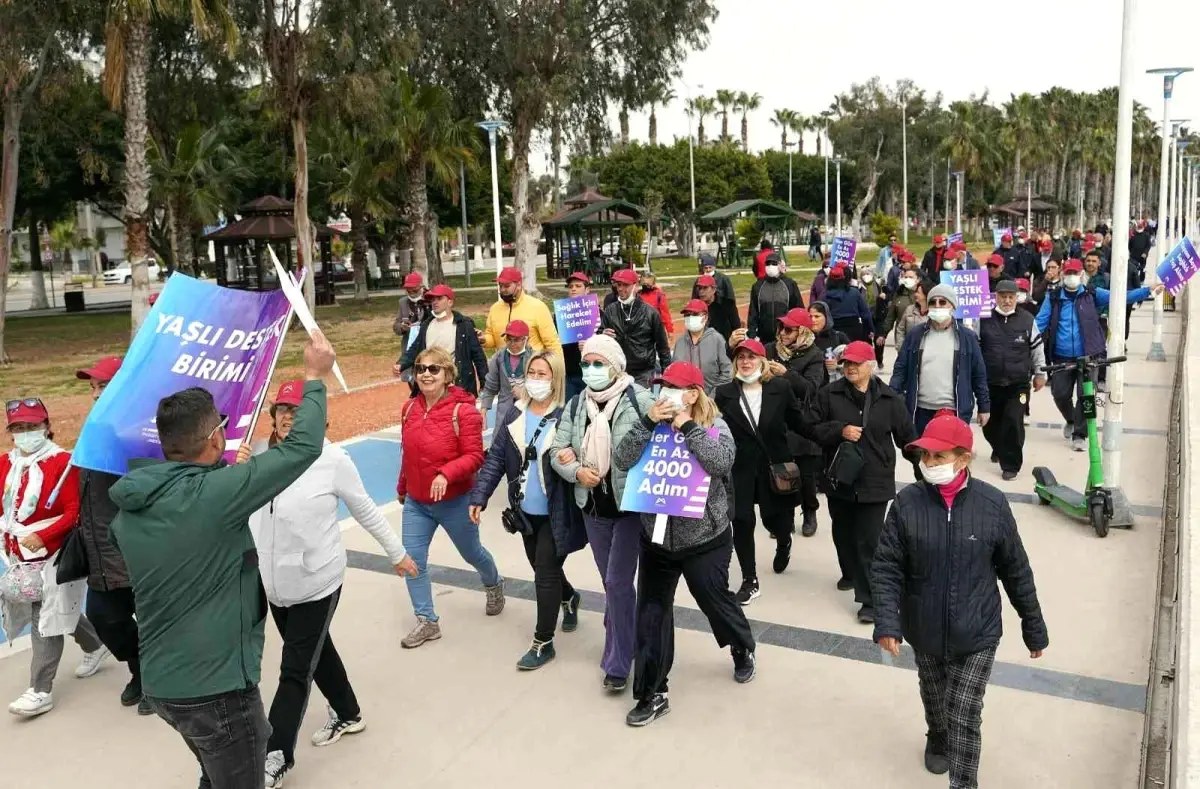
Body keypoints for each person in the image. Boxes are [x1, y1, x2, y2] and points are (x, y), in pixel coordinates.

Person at [108, 332, 335, 785]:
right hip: (218, 691)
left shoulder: (131, 507)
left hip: (165, 684)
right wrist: (314, 376)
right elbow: (302, 448)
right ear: (214, 438)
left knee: (213, 774)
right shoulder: (214, 496)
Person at [238, 380, 418, 788]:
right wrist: (237, 471)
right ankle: (349, 712)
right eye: (282, 409)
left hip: (317, 582)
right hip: (273, 583)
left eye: (298, 409)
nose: (288, 416)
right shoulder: (258, 456)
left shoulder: (331, 459)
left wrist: (397, 553)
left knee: (294, 668)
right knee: (315, 649)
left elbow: (366, 508)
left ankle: (276, 754)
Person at [873, 413, 1048, 789]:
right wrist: (887, 623)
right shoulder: (906, 504)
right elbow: (887, 567)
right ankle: (936, 734)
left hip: (978, 630)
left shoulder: (992, 505)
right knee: (935, 699)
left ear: (964, 459)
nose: (929, 465)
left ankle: (963, 783)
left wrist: (1033, 626)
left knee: (965, 712)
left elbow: (1016, 569)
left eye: (938, 457)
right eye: (924, 458)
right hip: (925, 628)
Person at [613, 362, 755, 727]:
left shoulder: (715, 427)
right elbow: (623, 458)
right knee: (652, 615)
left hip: (705, 539)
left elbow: (721, 462)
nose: (666, 395)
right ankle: (652, 692)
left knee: (714, 601)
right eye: (663, 387)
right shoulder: (650, 425)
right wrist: (647, 423)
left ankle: (741, 644)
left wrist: (687, 428)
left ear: (692, 394)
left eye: (674, 388)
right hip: (657, 539)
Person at [551, 334, 656, 691]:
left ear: (615, 365)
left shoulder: (640, 399)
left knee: (616, 582)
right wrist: (576, 470)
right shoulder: (578, 402)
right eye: (587, 364)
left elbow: (657, 447)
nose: (591, 370)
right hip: (592, 508)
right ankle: (631, 634)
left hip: (629, 510)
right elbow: (558, 449)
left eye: (599, 364)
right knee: (613, 585)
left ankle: (617, 663)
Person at [470, 352, 586, 671]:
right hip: (524, 513)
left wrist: (572, 460)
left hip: (557, 513)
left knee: (544, 574)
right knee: (540, 566)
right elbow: (495, 459)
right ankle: (570, 596)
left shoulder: (568, 416)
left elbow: (584, 457)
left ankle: (543, 642)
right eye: (531, 372)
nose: (535, 379)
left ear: (556, 379)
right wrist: (480, 495)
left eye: (542, 374)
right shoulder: (514, 415)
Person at [2, 398, 107, 718]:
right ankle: (95, 645)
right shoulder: (5, 463)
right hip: (17, 553)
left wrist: (44, 536)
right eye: (19, 428)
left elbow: (73, 512)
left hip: (54, 553)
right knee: (59, 610)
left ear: (46, 427)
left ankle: (40, 689)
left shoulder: (63, 462)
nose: (26, 433)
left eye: (32, 426)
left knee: (44, 618)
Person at [396, 346, 505, 648]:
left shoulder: (464, 411)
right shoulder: (409, 409)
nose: (426, 374)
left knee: (472, 553)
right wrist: (403, 487)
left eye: (434, 369)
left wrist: (446, 473)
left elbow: (474, 456)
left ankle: (493, 582)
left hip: (456, 501)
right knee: (413, 560)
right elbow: (409, 454)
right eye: (420, 368)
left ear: (447, 374)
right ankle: (427, 621)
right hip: (418, 503)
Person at [809, 341, 915, 623]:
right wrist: (839, 431)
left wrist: (927, 465)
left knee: (869, 541)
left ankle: (869, 600)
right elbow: (812, 428)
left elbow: (908, 439)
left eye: (856, 363)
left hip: (875, 480)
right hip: (839, 479)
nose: (850, 368)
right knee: (843, 534)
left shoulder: (890, 400)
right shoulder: (828, 395)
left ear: (871, 366)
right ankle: (851, 572)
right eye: (847, 363)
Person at [74, 356, 149, 715]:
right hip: (100, 552)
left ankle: (155, 679)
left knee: (153, 622)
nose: (95, 393)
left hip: (136, 553)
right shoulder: (95, 427)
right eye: (93, 387)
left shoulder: (141, 432)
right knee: (104, 617)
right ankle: (139, 668)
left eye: (102, 385)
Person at [714, 339, 807, 605]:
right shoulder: (725, 393)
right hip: (740, 469)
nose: (745, 362)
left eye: (751, 357)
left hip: (773, 468)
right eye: (740, 357)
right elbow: (713, 427)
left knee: (774, 520)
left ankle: (784, 540)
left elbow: (799, 423)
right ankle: (750, 579)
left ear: (762, 361)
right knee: (741, 522)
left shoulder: (780, 387)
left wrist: (831, 434)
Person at [1035, 259, 1160, 451]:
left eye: (1075, 274)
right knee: (1060, 394)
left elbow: (1119, 298)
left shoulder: (1092, 294)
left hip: (1088, 356)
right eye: (1068, 273)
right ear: (1062, 275)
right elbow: (1039, 324)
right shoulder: (1053, 298)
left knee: (1087, 397)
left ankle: (1080, 434)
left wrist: (1147, 291)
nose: (1071, 277)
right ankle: (1071, 419)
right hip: (1061, 356)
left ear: (1081, 275)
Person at [890, 284, 990, 435]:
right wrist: (891, 397)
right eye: (932, 302)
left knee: (947, 456)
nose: (937, 306)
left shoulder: (967, 338)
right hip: (920, 410)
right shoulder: (916, 335)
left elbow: (979, 375)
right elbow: (900, 369)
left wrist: (984, 407)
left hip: (952, 410)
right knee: (925, 456)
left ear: (952, 306)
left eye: (942, 302)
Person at [766, 308, 826, 537]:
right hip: (778, 420)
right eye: (781, 328)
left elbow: (811, 389)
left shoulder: (814, 355)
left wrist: (786, 373)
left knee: (807, 477)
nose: (783, 333)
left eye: (789, 329)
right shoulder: (771, 350)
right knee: (783, 473)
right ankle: (787, 518)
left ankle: (810, 511)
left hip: (803, 422)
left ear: (801, 332)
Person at [978, 280, 1046, 481]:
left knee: (1013, 422)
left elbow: (1037, 349)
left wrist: (1040, 374)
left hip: (1019, 385)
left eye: (1011, 297)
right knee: (990, 425)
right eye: (1003, 296)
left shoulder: (1027, 320)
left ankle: (1011, 464)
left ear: (1017, 298)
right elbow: (974, 349)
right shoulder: (983, 320)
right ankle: (999, 447)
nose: (1007, 301)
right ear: (995, 297)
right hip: (990, 383)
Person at [397, 284, 488, 395]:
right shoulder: (426, 325)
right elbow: (415, 349)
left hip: (458, 385)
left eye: (439, 298)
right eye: (432, 299)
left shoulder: (464, 325)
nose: (434, 302)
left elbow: (478, 357)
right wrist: (401, 364)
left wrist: (485, 384)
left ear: (450, 302)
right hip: (431, 384)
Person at [598, 267, 671, 388]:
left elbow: (663, 347)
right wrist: (603, 335)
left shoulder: (650, 313)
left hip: (644, 373)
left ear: (635, 286)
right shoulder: (611, 310)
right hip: (618, 372)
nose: (620, 289)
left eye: (625, 285)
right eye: (618, 284)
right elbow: (599, 337)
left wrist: (667, 377)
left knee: (641, 404)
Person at [480, 267, 562, 355]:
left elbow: (552, 343)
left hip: (532, 366)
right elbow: (492, 337)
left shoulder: (538, 307)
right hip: (504, 366)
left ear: (519, 285)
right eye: (500, 286)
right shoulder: (494, 309)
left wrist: (558, 367)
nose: (502, 289)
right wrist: (483, 339)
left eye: (507, 286)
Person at [479, 320, 535, 422]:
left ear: (526, 339)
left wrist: (524, 394)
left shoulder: (535, 358)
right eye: (509, 339)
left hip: (528, 412)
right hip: (504, 414)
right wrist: (483, 412)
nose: (512, 344)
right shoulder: (498, 357)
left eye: (516, 340)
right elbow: (490, 387)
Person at [672, 299, 732, 394]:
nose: (690, 317)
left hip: (711, 400)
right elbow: (674, 374)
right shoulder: (679, 343)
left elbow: (727, 373)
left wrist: (712, 397)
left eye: (695, 314)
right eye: (687, 315)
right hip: (686, 400)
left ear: (705, 317)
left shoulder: (717, 340)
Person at [746, 253, 803, 346]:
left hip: (785, 336)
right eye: (768, 264)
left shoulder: (790, 284)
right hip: (764, 337)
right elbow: (753, 311)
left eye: (774, 263)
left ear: (780, 265)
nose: (770, 266)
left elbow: (798, 308)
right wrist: (752, 333)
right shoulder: (757, 286)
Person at [561, 271, 598, 399]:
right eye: (571, 287)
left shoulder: (598, 313)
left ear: (587, 289)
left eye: (578, 286)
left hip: (591, 372)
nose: (573, 289)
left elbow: (603, 340)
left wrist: (590, 343)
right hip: (569, 373)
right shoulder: (562, 314)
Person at [823, 264, 875, 343]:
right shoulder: (854, 292)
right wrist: (870, 329)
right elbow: (865, 314)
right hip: (854, 331)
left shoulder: (824, 295)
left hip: (834, 331)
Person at [809, 301, 851, 384]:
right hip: (812, 389)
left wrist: (838, 365)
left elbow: (855, 362)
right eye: (810, 316)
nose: (813, 320)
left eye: (817, 316)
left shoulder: (839, 337)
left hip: (834, 388)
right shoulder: (804, 339)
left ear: (826, 317)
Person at [879, 269, 920, 352]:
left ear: (918, 279)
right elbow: (891, 316)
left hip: (919, 333)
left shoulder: (923, 293)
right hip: (902, 334)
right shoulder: (898, 294)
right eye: (906, 277)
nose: (908, 279)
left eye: (911, 277)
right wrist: (883, 334)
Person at [693, 274, 741, 343]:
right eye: (699, 288)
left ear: (714, 289)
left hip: (726, 345)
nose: (701, 291)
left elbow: (736, 327)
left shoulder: (727, 304)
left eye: (705, 288)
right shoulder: (695, 308)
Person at [392, 272, 430, 338]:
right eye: (408, 291)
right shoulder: (403, 302)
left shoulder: (432, 299)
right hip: (410, 342)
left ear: (422, 286)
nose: (411, 294)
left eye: (415, 290)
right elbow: (396, 326)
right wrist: (402, 327)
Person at [639, 271, 674, 342]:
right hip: (641, 329)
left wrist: (669, 330)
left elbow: (665, 314)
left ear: (653, 283)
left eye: (648, 284)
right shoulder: (638, 295)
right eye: (644, 283)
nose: (645, 286)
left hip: (655, 328)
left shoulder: (659, 295)